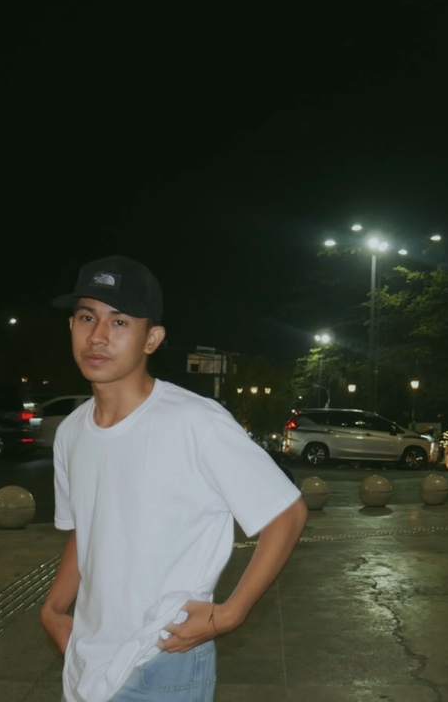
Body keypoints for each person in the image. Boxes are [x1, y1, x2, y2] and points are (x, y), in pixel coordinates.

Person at [40, 255, 308, 702]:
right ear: (71, 326)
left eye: (120, 322)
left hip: (162, 661)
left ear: (152, 339)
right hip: (87, 663)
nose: (98, 336)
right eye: (87, 317)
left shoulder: (194, 422)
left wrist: (229, 614)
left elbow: (287, 514)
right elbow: (84, 532)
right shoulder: (71, 432)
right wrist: (52, 608)